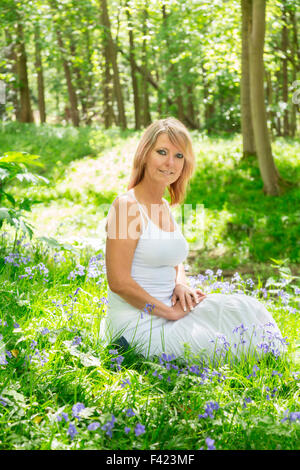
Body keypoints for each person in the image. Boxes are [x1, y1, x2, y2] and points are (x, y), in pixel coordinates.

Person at [104, 117, 286, 364]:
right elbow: (119, 283)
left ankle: (276, 359)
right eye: (162, 152)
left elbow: (175, 262)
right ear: (145, 154)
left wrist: (181, 285)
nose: (170, 163)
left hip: (172, 308)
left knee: (247, 309)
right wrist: (166, 311)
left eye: (179, 156)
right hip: (139, 321)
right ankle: (127, 349)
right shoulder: (126, 206)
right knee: (222, 346)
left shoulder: (164, 207)